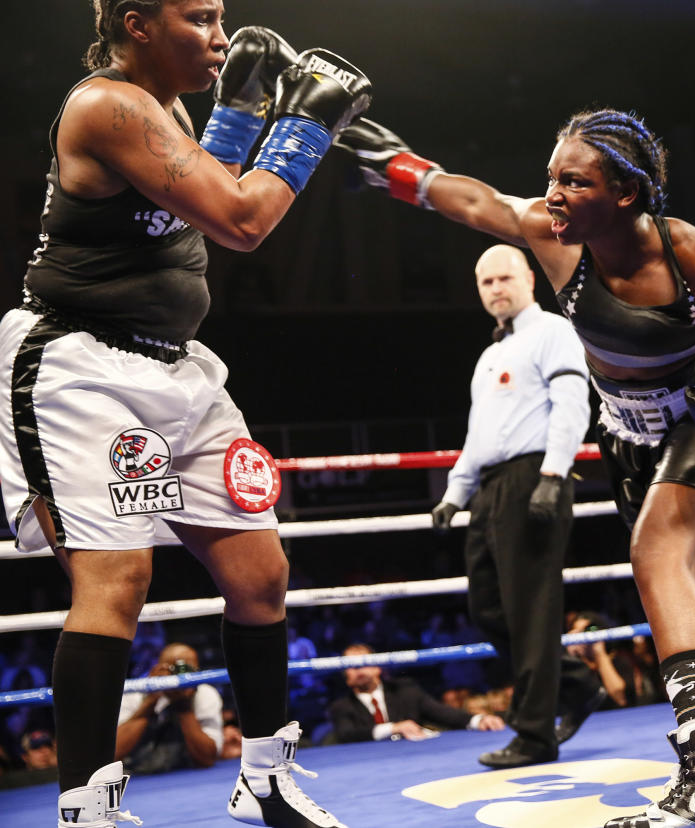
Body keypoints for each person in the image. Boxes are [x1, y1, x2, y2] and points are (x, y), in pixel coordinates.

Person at [334, 109, 695, 828]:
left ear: (625, 193)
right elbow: (474, 201)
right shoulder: (555, 241)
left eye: (573, 180)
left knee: (657, 554)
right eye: (551, 177)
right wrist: (391, 166)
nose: (552, 194)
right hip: (630, 435)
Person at [0, 4, 370, 826]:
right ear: (136, 23)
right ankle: (86, 807)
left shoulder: (163, 105)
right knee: (116, 582)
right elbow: (241, 220)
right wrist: (304, 125)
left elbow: (201, 191)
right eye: (199, 18)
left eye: (222, 17)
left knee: (260, 575)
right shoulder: (108, 105)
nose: (219, 35)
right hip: (78, 366)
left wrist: (236, 110)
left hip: (179, 369)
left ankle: (266, 778)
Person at [428, 243, 607, 769]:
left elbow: (574, 403)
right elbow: (479, 435)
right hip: (489, 488)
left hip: (534, 476)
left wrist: (554, 473)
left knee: (531, 613)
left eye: (504, 278)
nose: (496, 289)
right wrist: (455, 494)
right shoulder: (489, 357)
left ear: (528, 278)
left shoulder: (552, 331)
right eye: (486, 283)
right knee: (487, 609)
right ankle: (577, 683)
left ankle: (533, 735)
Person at [327, 643, 505, 744]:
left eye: (364, 662)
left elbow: (442, 713)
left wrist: (478, 720)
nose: (358, 668)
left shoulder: (405, 691)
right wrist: (392, 728)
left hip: (412, 760)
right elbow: (347, 734)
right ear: (346, 676)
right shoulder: (341, 706)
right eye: (351, 665)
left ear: (378, 667)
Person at [115, 642, 222, 774]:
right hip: (134, 777)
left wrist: (184, 708)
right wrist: (150, 701)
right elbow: (113, 754)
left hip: (186, 777)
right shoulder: (134, 694)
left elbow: (207, 759)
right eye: (174, 669)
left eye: (188, 669)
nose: (182, 676)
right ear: (158, 669)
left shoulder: (205, 694)